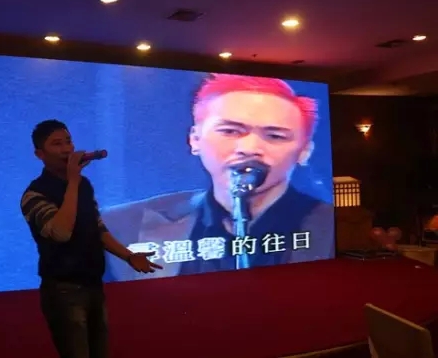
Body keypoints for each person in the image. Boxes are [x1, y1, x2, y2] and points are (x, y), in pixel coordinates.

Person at [101, 74, 335, 282]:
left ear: (305, 151)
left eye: (274, 136)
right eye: (230, 131)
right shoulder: (120, 224)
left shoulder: (333, 226)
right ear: (195, 139)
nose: (249, 148)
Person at [20, 119, 162, 358]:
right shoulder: (35, 194)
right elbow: (61, 233)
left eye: (68, 142)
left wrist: (129, 256)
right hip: (63, 292)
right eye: (57, 144)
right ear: (40, 154)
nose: (67, 149)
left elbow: (97, 228)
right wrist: (73, 182)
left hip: (94, 285)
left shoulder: (83, 185)